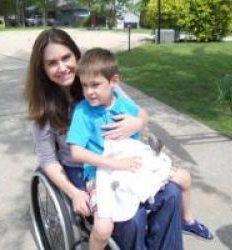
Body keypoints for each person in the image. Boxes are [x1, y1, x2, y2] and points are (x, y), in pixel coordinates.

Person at [24, 28, 183, 250]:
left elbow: (139, 112)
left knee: (172, 194)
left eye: (66, 57)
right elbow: (48, 160)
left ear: (76, 56)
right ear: (42, 69)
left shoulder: (97, 80)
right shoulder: (43, 109)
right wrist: (74, 192)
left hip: (123, 157)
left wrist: (137, 123)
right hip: (83, 170)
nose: (62, 67)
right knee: (130, 217)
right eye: (52, 63)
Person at [67, 48, 213, 249]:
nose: (89, 91)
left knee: (184, 179)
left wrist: (138, 124)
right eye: (84, 85)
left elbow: (142, 118)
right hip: (102, 172)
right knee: (102, 229)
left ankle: (187, 221)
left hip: (134, 163)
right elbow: (76, 152)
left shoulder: (125, 105)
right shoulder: (83, 111)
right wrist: (115, 163)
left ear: (114, 82)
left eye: (95, 84)